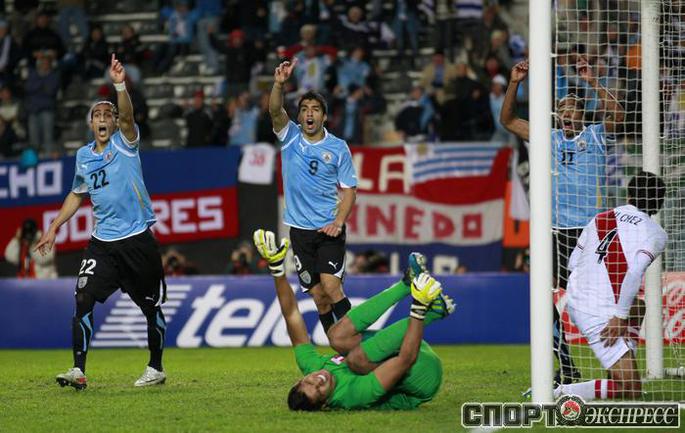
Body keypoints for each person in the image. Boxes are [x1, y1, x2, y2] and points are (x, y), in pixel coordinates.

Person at [34, 54, 167, 390]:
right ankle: (78, 370)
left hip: (136, 240)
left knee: (150, 308)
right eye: (97, 116)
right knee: (83, 298)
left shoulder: (126, 143)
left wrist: (119, 85)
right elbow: (76, 194)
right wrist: (54, 226)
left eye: (108, 114)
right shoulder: (83, 156)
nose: (103, 119)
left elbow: (129, 116)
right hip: (102, 244)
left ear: (115, 122)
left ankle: (156, 368)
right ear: (91, 125)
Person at [501, 58, 625, 385]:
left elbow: (618, 115)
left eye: (572, 108)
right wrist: (514, 83)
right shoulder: (549, 138)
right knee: (542, 298)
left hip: (590, 235)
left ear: (582, 113)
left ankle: (616, 363)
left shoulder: (595, 135)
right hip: (554, 233)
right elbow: (508, 120)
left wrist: (593, 81)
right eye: (561, 108)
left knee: (597, 303)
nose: (566, 112)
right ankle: (566, 365)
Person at [253, 230, 453, 410]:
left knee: (337, 337)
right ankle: (432, 312)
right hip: (420, 375)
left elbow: (291, 316)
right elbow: (406, 360)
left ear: (300, 380)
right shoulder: (352, 395)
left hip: (404, 348)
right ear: (325, 405)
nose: (318, 380)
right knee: (357, 360)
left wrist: (276, 269)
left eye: (309, 382)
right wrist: (419, 309)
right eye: (319, 391)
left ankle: (407, 283)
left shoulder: (313, 367)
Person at [555, 172, 667, 400]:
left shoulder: (600, 218)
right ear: (659, 204)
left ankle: (621, 358)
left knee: (638, 307)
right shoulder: (656, 233)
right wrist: (619, 315)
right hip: (598, 311)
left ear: (629, 195)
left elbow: (573, 262)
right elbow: (634, 271)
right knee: (631, 390)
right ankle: (560, 392)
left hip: (576, 298)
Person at [269, 58, 357, 335]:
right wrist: (278, 84)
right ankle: (338, 348)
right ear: (299, 117)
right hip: (299, 232)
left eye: (315, 109)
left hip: (328, 229)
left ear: (324, 117)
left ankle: (358, 343)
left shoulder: (338, 148)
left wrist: (339, 222)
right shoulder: (290, 137)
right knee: (319, 297)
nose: (309, 114)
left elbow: (350, 190)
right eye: (305, 109)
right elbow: (275, 110)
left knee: (332, 287)